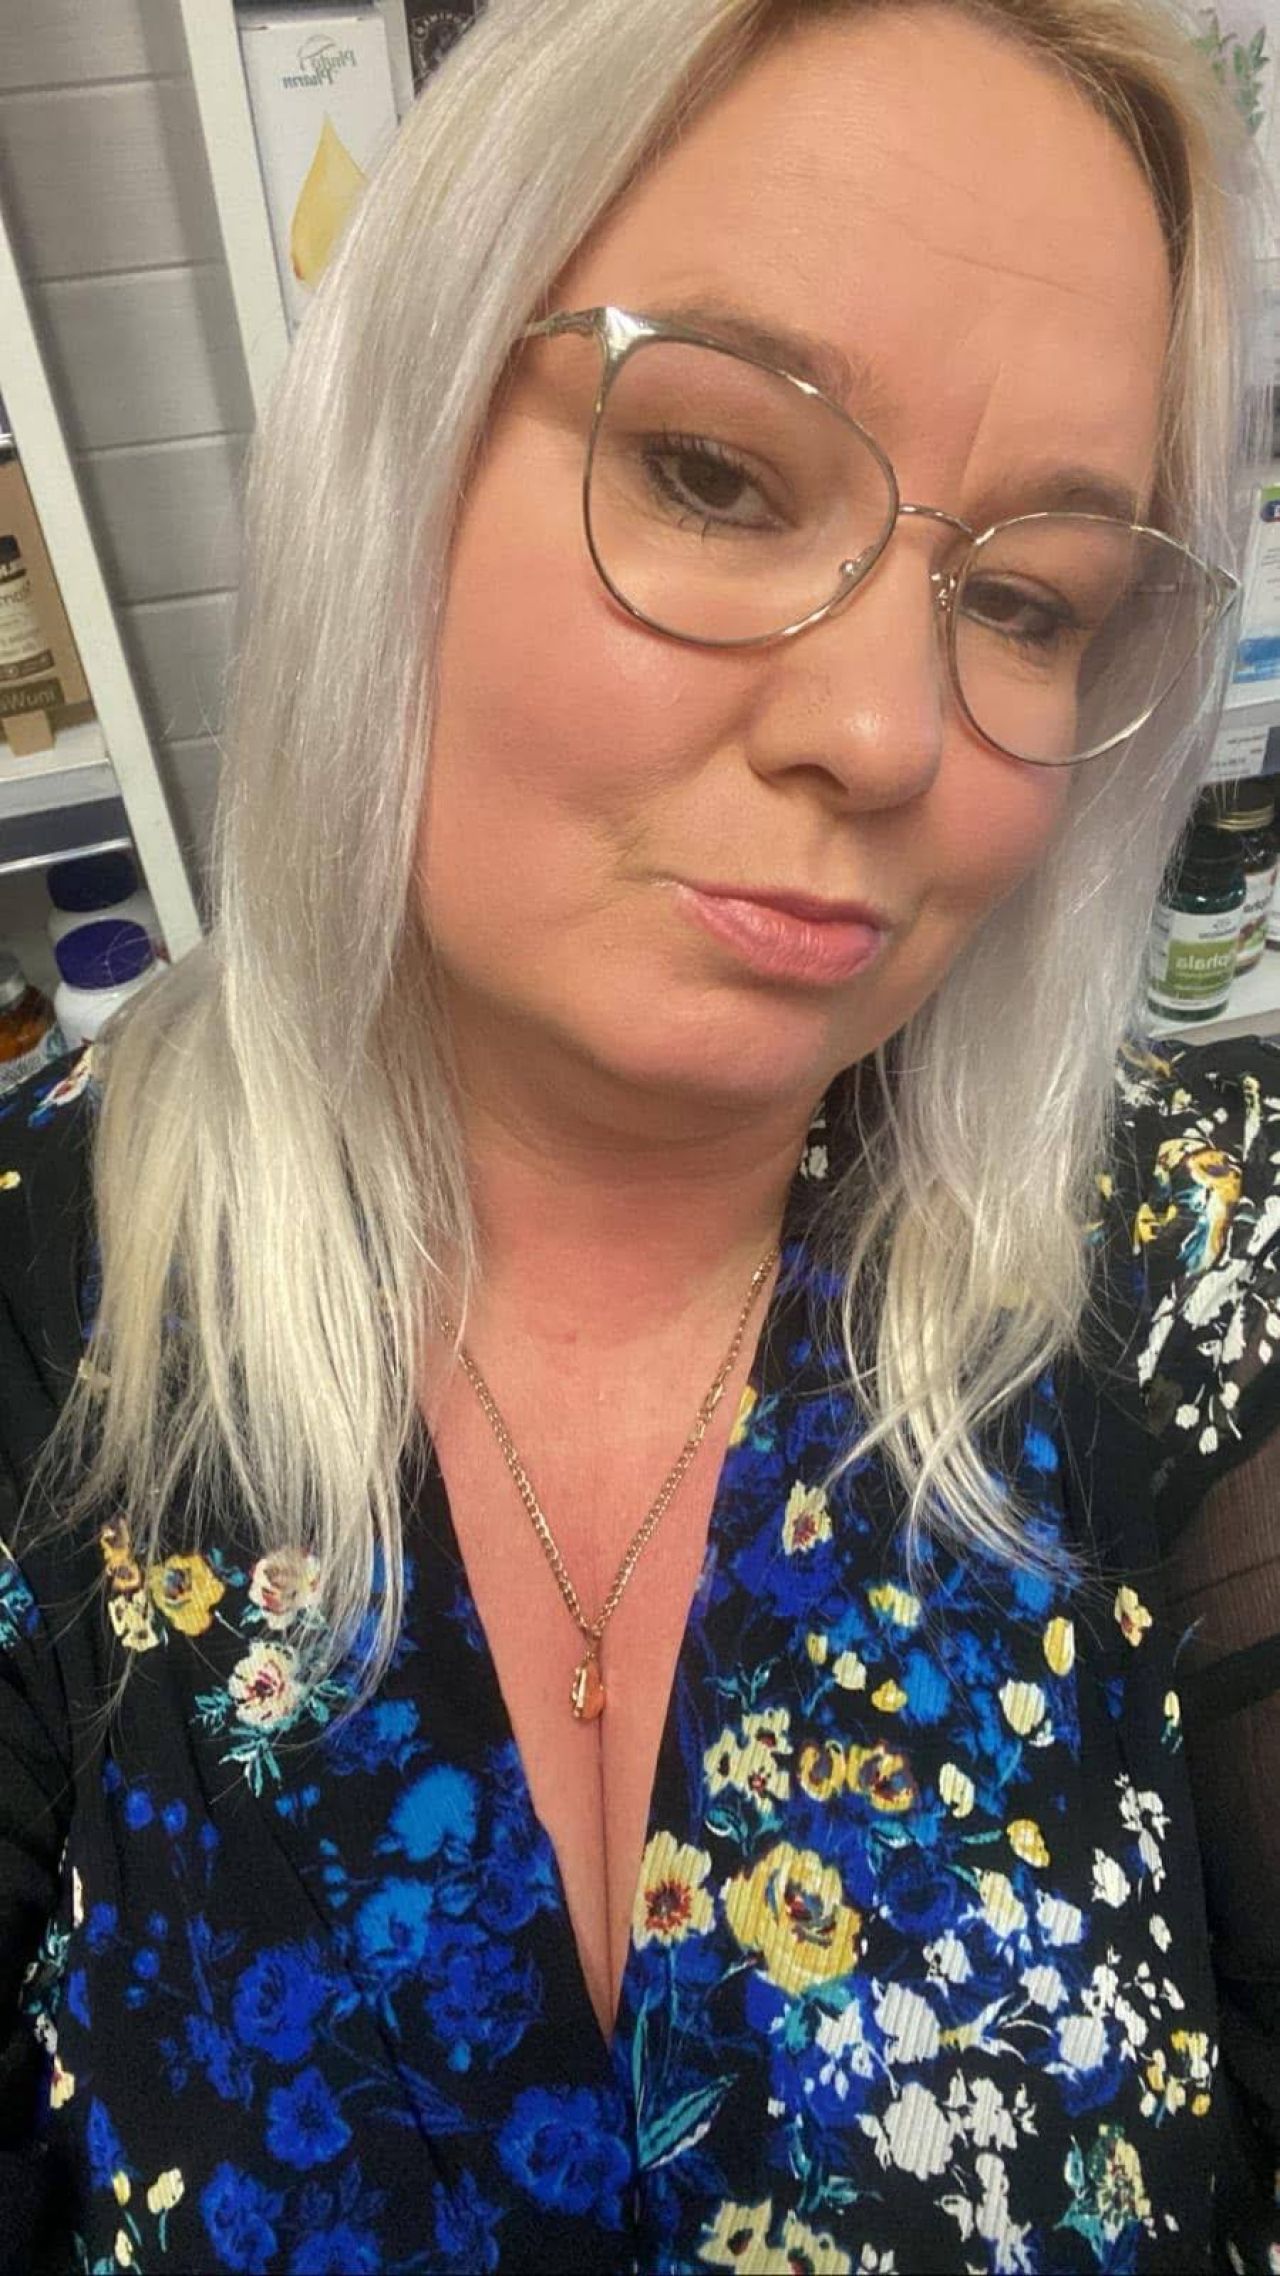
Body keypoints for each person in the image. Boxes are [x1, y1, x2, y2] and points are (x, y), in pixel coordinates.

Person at [1, 0, 1277, 2266]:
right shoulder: (42, 1311)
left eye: (1026, 602)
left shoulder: (1189, 1269)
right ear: (394, 449)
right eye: (714, 473)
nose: (886, 731)